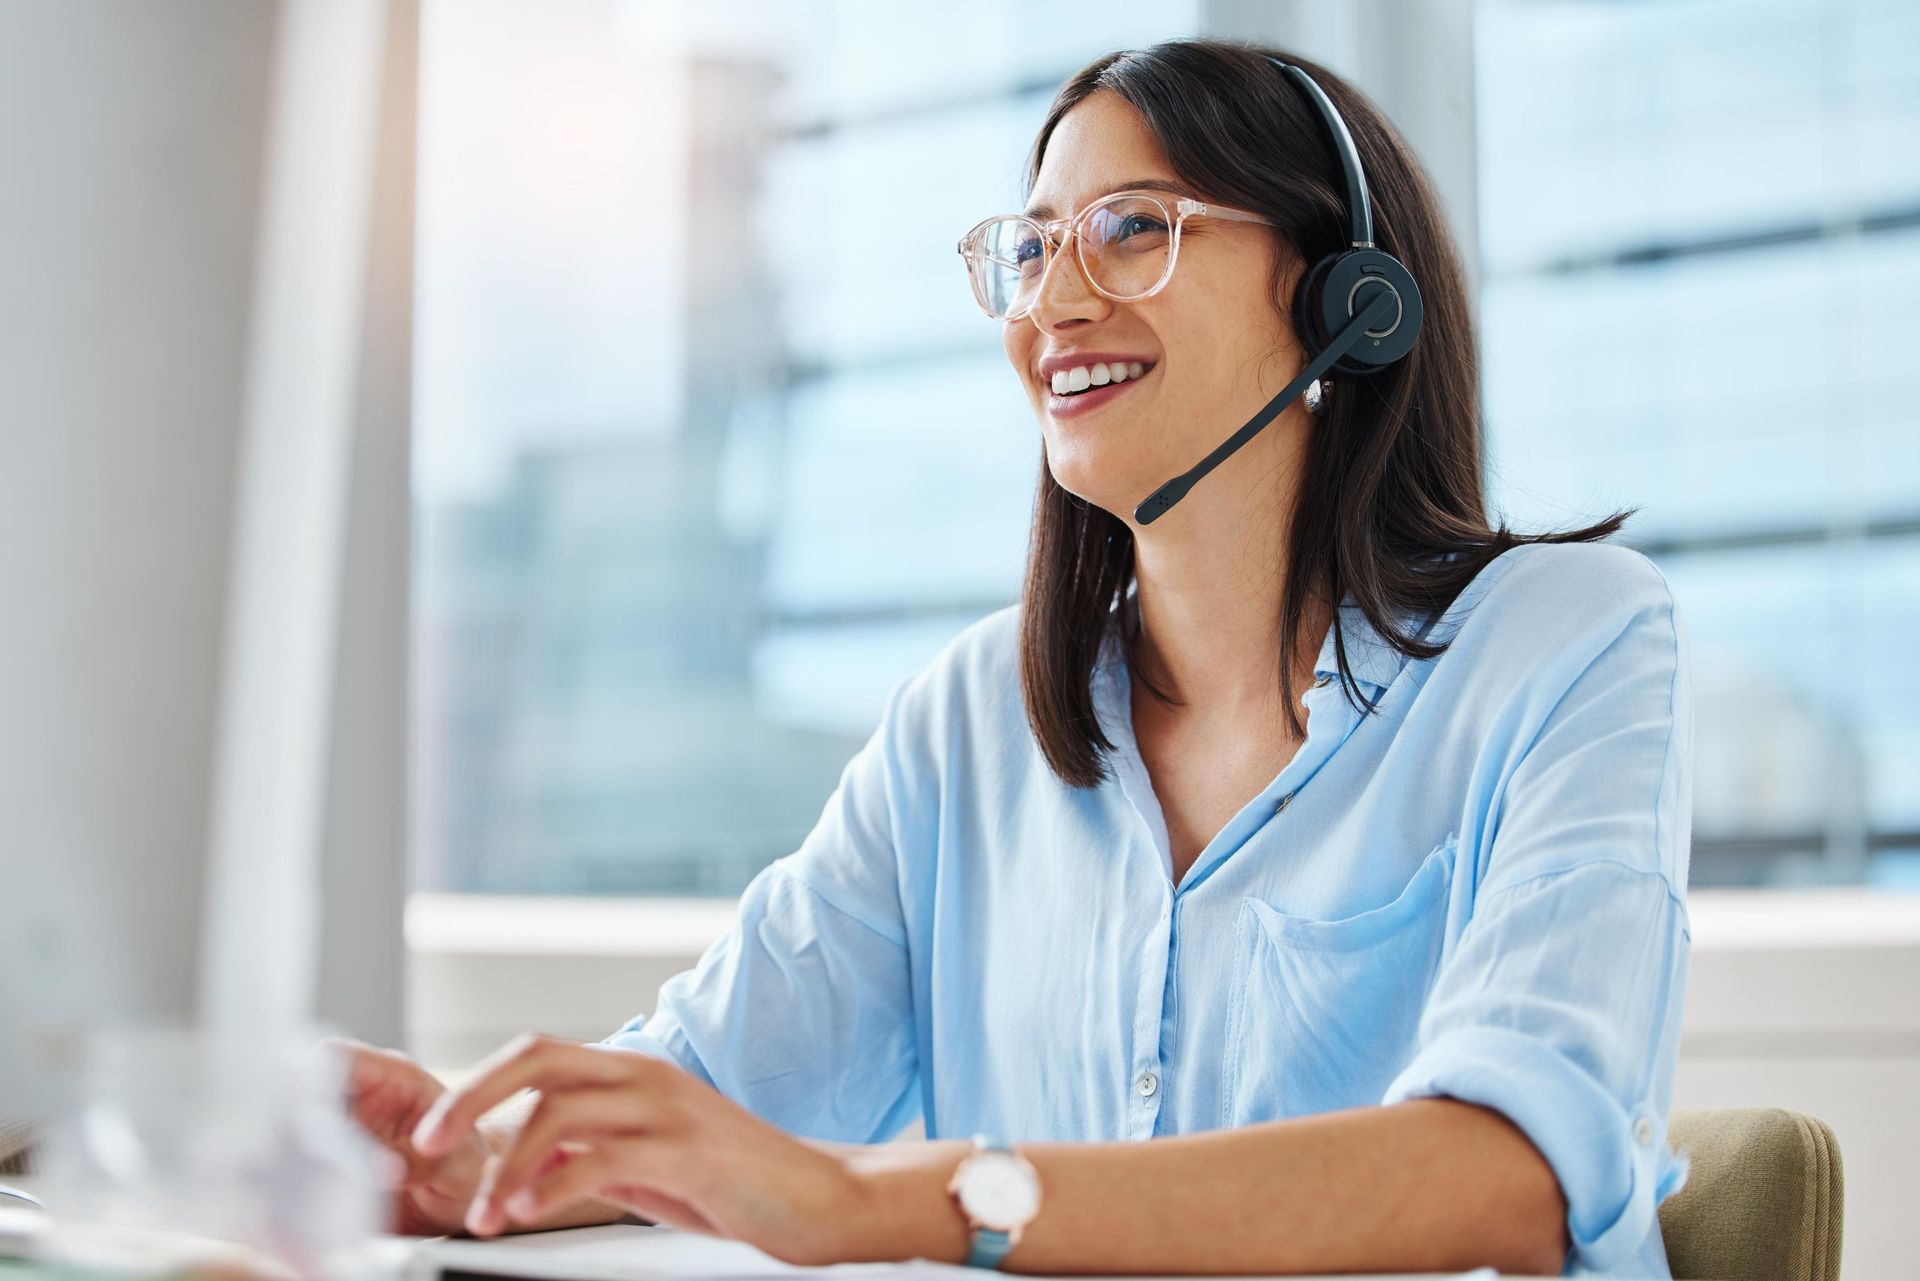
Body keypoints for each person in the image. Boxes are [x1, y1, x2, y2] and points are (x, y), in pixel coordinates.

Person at [343, 39, 1693, 1278]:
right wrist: (455, 1152)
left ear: (1348, 298)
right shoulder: (966, 725)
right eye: (1034, 246)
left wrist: (913, 1195)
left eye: (1134, 230)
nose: (1055, 298)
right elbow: (715, 1085)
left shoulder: (1567, 642)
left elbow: (1512, 1167)